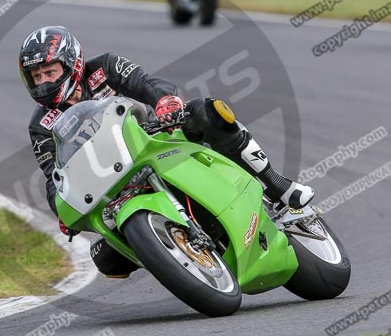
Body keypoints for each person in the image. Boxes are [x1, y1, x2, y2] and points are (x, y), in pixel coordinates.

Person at [19, 25, 314, 278]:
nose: (43, 82)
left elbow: (146, 83)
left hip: (156, 136)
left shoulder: (105, 67)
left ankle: (278, 185)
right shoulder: (40, 125)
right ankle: (174, 254)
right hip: (113, 181)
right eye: (36, 76)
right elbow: (54, 175)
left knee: (208, 112)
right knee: (106, 261)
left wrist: (165, 102)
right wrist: (62, 207)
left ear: (72, 64)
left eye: (49, 72)